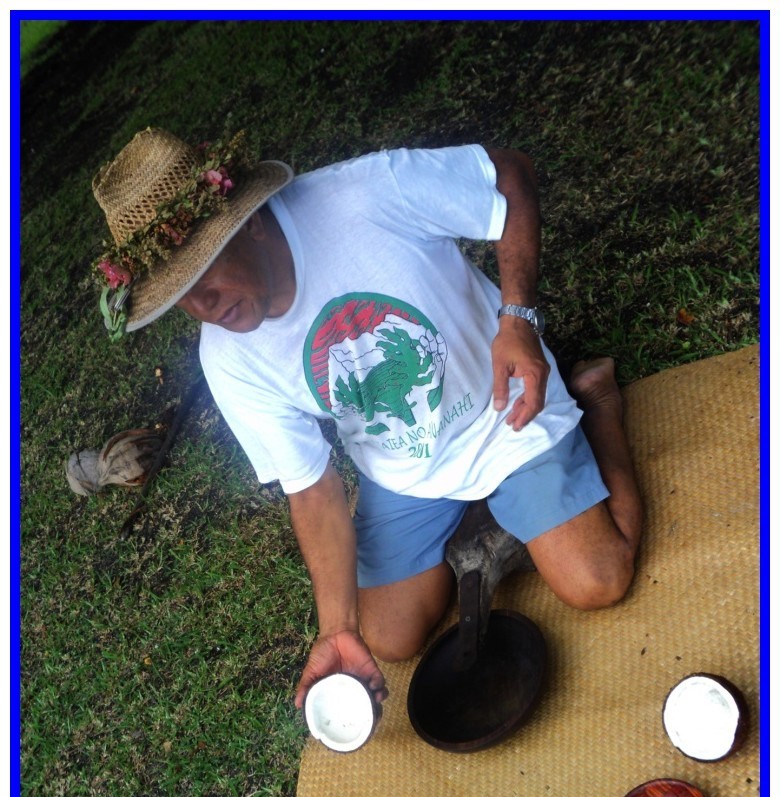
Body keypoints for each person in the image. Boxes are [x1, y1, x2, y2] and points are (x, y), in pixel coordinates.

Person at [92, 127, 642, 711]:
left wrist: (517, 321)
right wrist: (336, 630)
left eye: (205, 275)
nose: (204, 307)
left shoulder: (367, 194)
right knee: (389, 636)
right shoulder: (227, 360)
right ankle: (490, 507)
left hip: (503, 406)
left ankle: (598, 402)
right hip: (403, 464)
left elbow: (510, 173)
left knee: (598, 581)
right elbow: (311, 490)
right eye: (180, 296)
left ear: (247, 220)